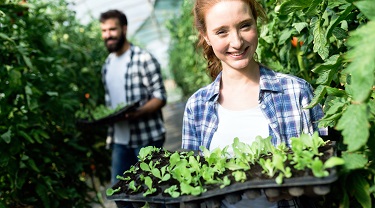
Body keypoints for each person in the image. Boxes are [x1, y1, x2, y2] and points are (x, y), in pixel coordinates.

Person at [182, 0, 328, 207]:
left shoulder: (296, 92)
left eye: (244, 26)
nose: (237, 42)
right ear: (206, 36)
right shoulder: (196, 107)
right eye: (222, 32)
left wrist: (301, 186)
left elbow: (327, 171)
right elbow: (190, 182)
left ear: (256, 23)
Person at [99, 9, 167, 208]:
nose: (108, 35)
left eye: (112, 29)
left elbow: (160, 96)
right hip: (119, 138)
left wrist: (137, 113)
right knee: (120, 195)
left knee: (155, 193)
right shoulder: (107, 65)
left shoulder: (143, 58)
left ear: (124, 29)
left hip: (146, 136)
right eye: (104, 30)